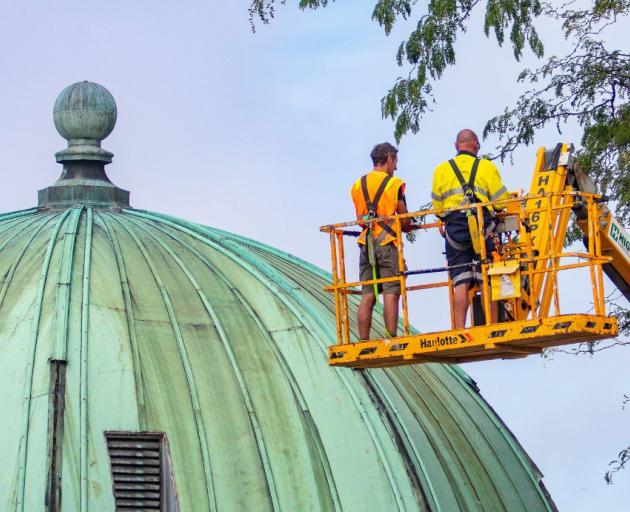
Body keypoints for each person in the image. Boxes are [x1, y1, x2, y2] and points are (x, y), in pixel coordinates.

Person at [431, 129, 509, 329]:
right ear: (476, 144)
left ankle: (458, 330)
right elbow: (501, 202)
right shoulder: (486, 167)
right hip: (482, 227)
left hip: (454, 230)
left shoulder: (441, 170)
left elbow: (438, 209)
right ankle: (491, 326)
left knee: (460, 282)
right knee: (487, 278)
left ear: (457, 146)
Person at [351, 142, 411, 339]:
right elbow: (404, 218)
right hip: (387, 243)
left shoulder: (358, 184)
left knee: (368, 294)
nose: (396, 167)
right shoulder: (394, 185)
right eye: (395, 162)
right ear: (389, 159)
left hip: (366, 242)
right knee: (391, 291)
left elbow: (360, 219)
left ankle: (363, 341)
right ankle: (392, 337)